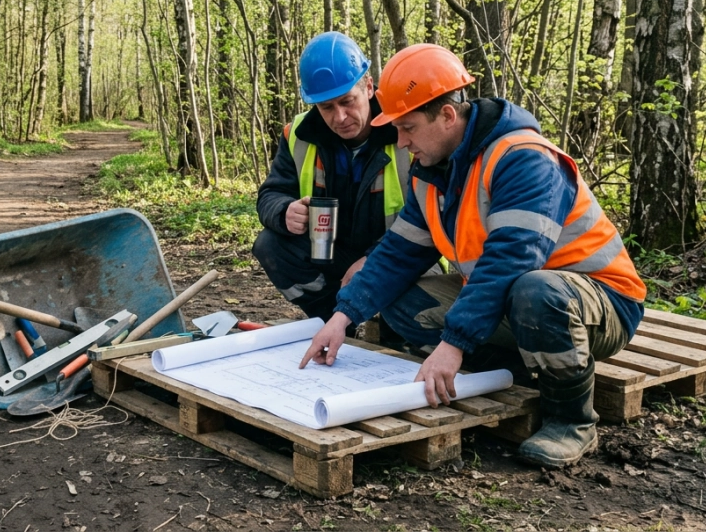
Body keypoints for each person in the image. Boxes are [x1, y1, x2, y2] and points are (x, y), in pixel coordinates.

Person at [299, 43, 646, 468]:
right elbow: (395, 256)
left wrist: (454, 343)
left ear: (447, 115)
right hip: (512, 301)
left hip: (597, 303)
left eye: (407, 128)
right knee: (404, 302)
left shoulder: (523, 159)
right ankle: (514, 371)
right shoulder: (432, 173)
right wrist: (341, 317)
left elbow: (511, 262)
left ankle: (571, 421)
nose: (401, 142)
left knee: (535, 292)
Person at [254, 32, 410, 325]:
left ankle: (392, 328)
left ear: (368, 87)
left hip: (395, 251)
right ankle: (333, 320)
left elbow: (426, 222)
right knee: (270, 245)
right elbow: (270, 195)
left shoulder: (405, 130)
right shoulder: (298, 135)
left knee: (414, 288)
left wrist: (375, 260)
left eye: (347, 101)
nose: (339, 117)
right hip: (329, 251)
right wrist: (284, 211)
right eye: (327, 107)